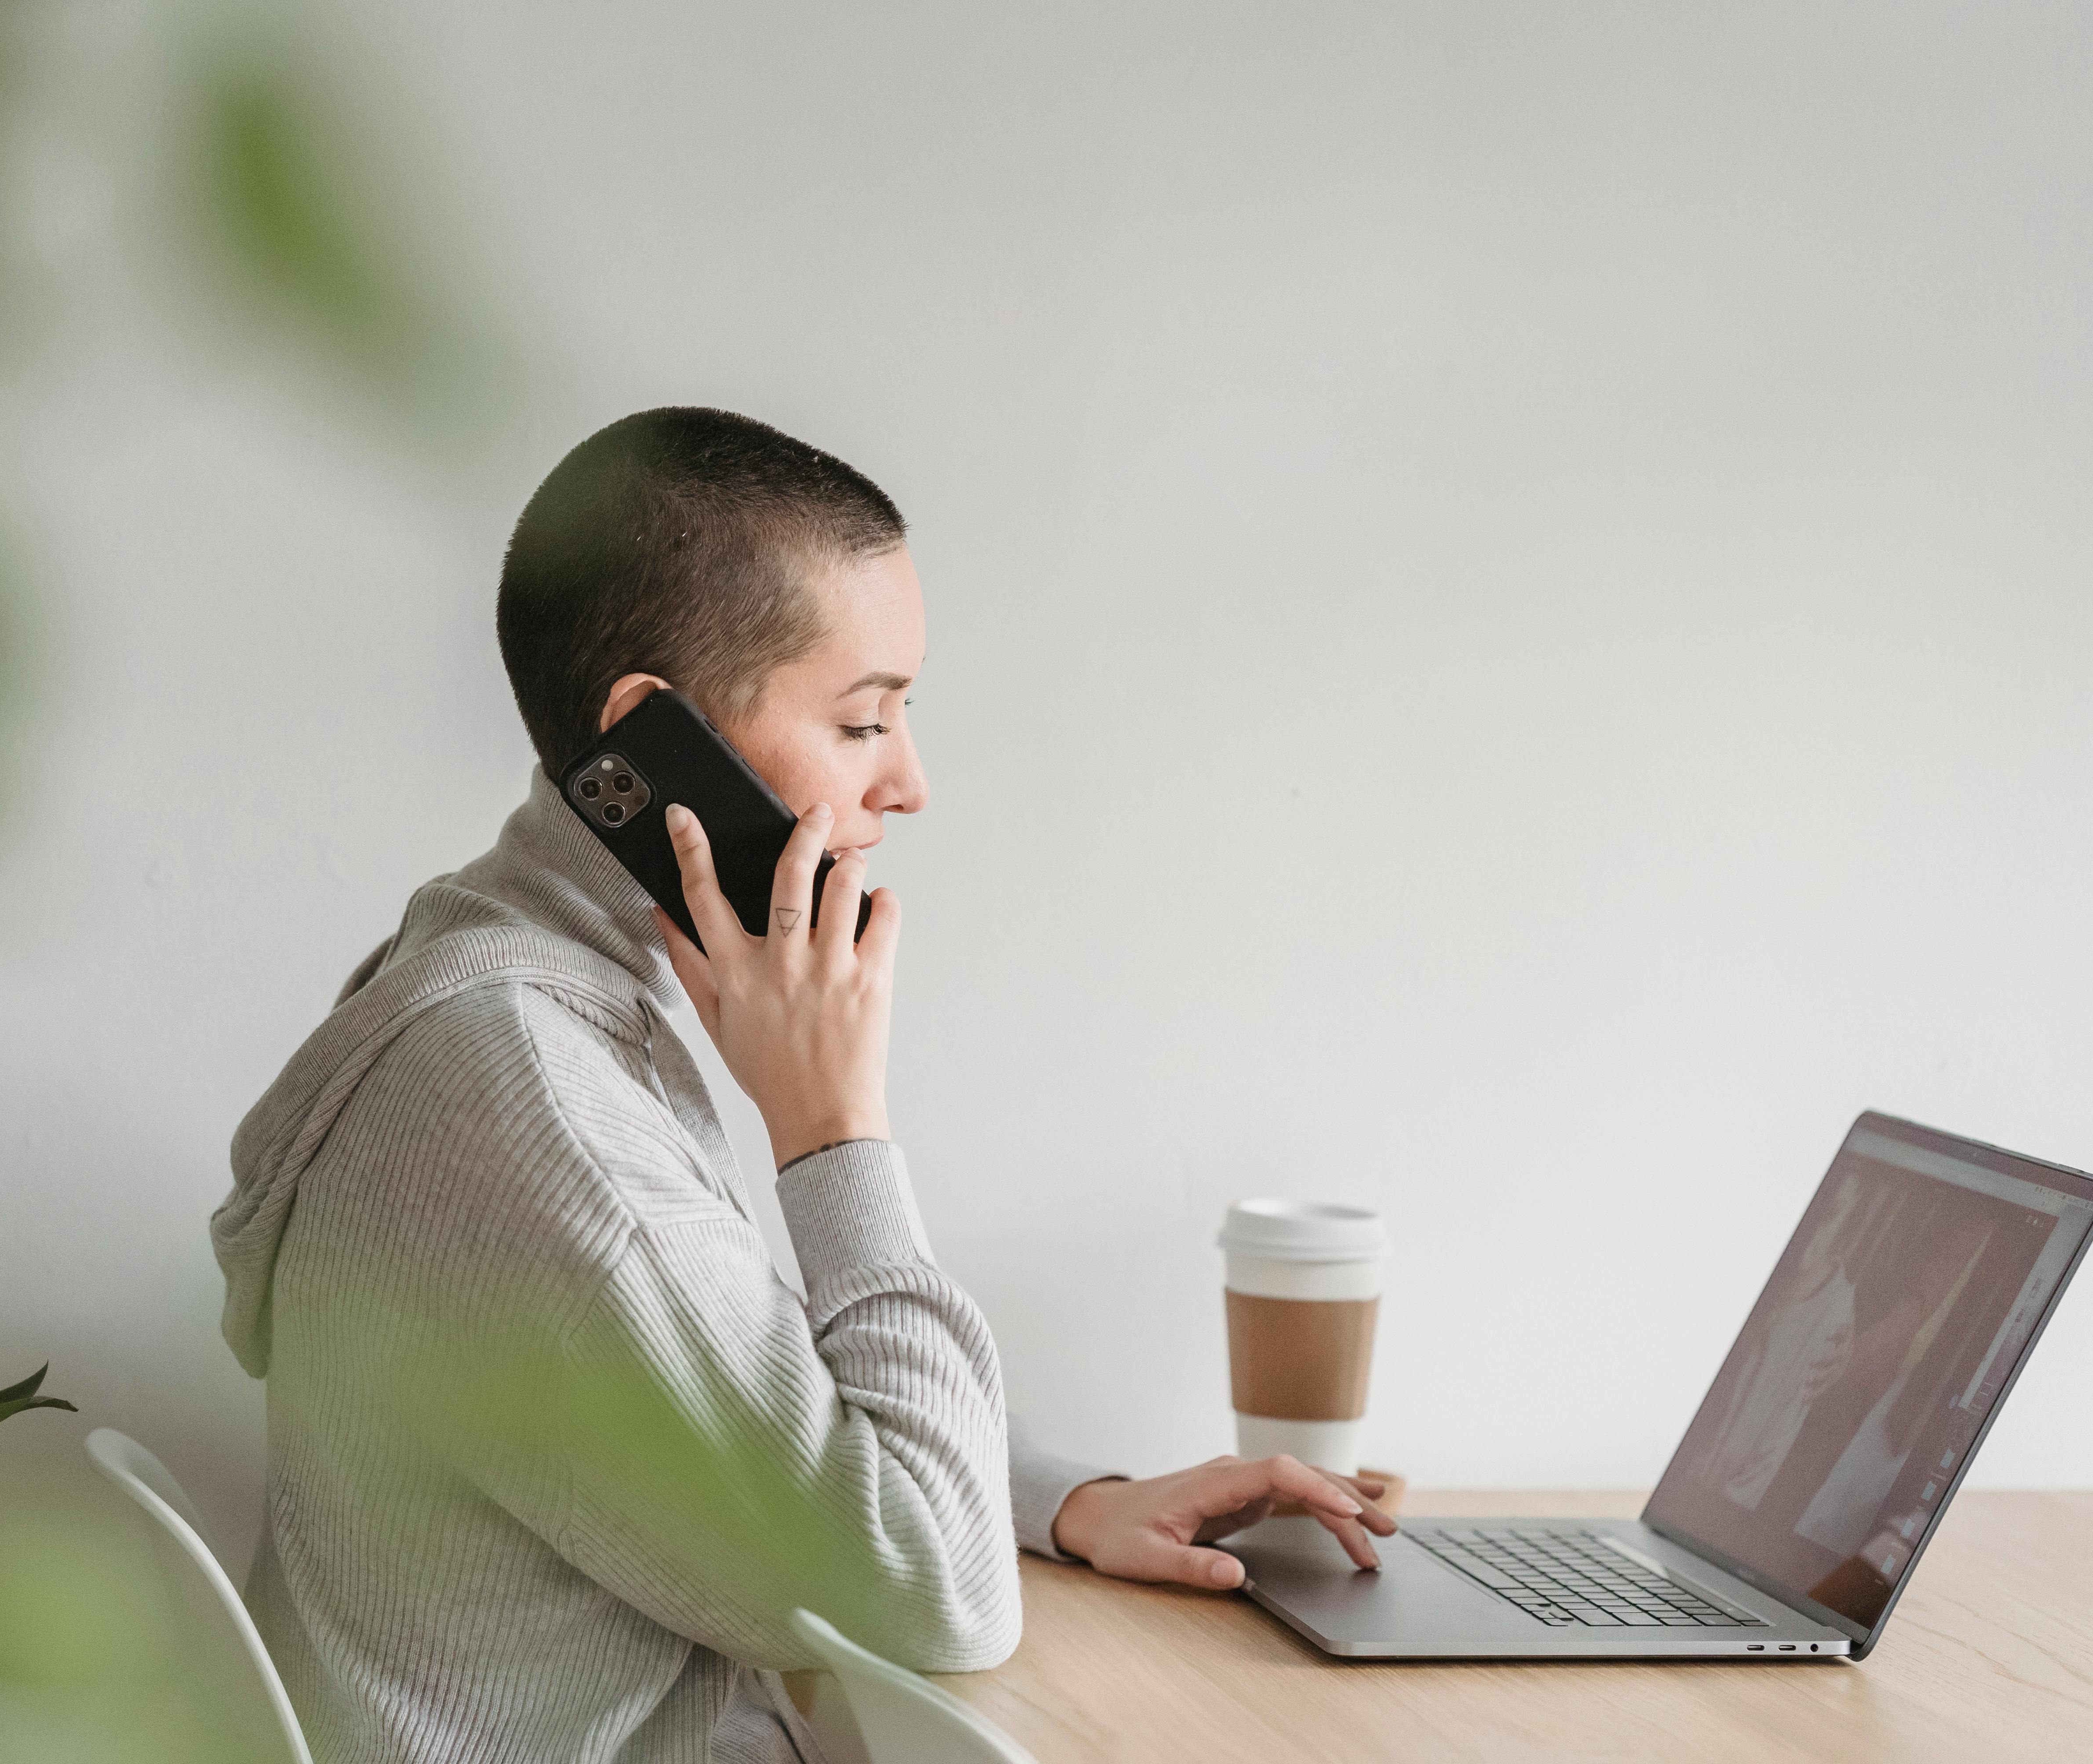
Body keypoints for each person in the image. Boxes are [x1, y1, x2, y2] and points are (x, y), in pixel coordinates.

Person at [211, 407, 1394, 1763]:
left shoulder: (503, 974)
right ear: (656, 744)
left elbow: (755, 1390)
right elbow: (931, 1598)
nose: (911, 783)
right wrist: (835, 1135)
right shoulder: (538, 1105)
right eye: (863, 719)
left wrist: (1070, 1503)